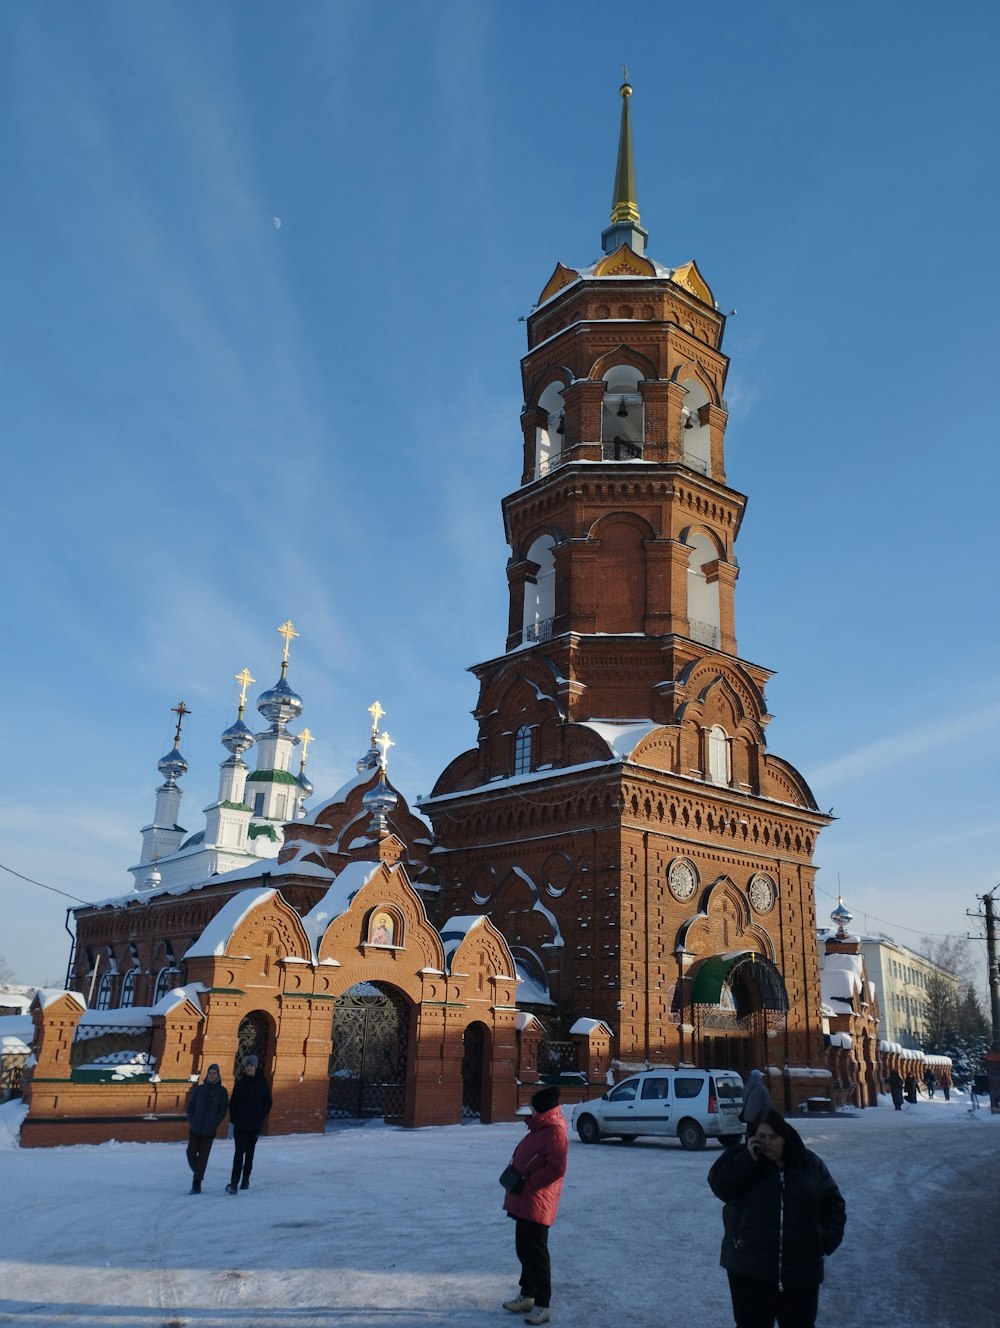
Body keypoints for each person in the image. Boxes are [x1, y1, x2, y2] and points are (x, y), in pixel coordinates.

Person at [708, 1108, 846, 1328]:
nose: (767, 1143)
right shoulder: (741, 1159)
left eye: (773, 1137)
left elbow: (834, 1203)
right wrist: (748, 1161)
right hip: (750, 1271)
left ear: (785, 1137)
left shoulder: (808, 1164)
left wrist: (823, 1240)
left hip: (800, 1273)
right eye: (761, 1137)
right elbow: (720, 1187)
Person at [501, 1085, 568, 1326]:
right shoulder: (542, 1127)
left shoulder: (555, 1133)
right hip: (525, 1199)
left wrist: (529, 1182)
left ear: (544, 1108)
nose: (531, 1108)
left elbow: (556, 1168)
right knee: (524, 1249)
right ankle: (527, 1294)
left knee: (536, 1253)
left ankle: (542, 1304)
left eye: (534, 1105)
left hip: (537, 1200)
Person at [226, 1054, 272, 1194]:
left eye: (252, 1065)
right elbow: (233, 1103)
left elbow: (267, 1103)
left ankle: (245, 1180)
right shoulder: (240, 1083)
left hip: (254, 1125)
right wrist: (234, 1118)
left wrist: (260, 1118)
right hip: (240, 1124)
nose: (249, 1068)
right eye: (247, 1065)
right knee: (238, 1154)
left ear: (255, 1067)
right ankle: (234, 1182)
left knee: (250, 1154)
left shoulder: (262, 1083)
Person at [186, 1063, 229, 1194]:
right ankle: (199, 1171)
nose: (211, 1075)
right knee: (190, 1153)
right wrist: (192, 1120)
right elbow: (191, 1106)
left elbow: (222, 1110)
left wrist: (214, 1123)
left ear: (218, 1075)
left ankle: (196, 1183)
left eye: (214, 1073)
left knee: (203, 1157)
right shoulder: (199, 1089)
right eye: (210, 1073)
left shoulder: (222, 1091)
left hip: (209, 1130)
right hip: (195, 1128)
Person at [740, 1068, 772, 1136]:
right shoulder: (762, 1089)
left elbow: (743, 1099)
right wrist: (765, 1116)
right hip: (758, 1117)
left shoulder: (746, 1087)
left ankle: (749, 1144)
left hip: (747, 1116)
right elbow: (768, 1104)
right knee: (757, 1133)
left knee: (749, 1132)